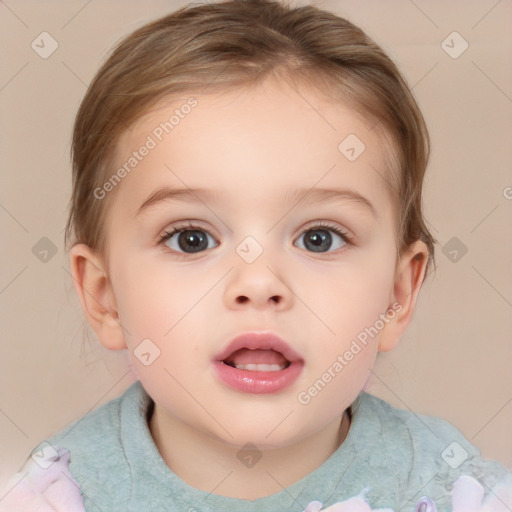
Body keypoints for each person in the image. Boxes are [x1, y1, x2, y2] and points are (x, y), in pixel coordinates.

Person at [1, 1, 511, 510]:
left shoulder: (454, 493)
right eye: (191, 239)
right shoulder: (50, 499)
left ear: (397, 295)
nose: (260, 282)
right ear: (104, 296)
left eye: (319, 238)